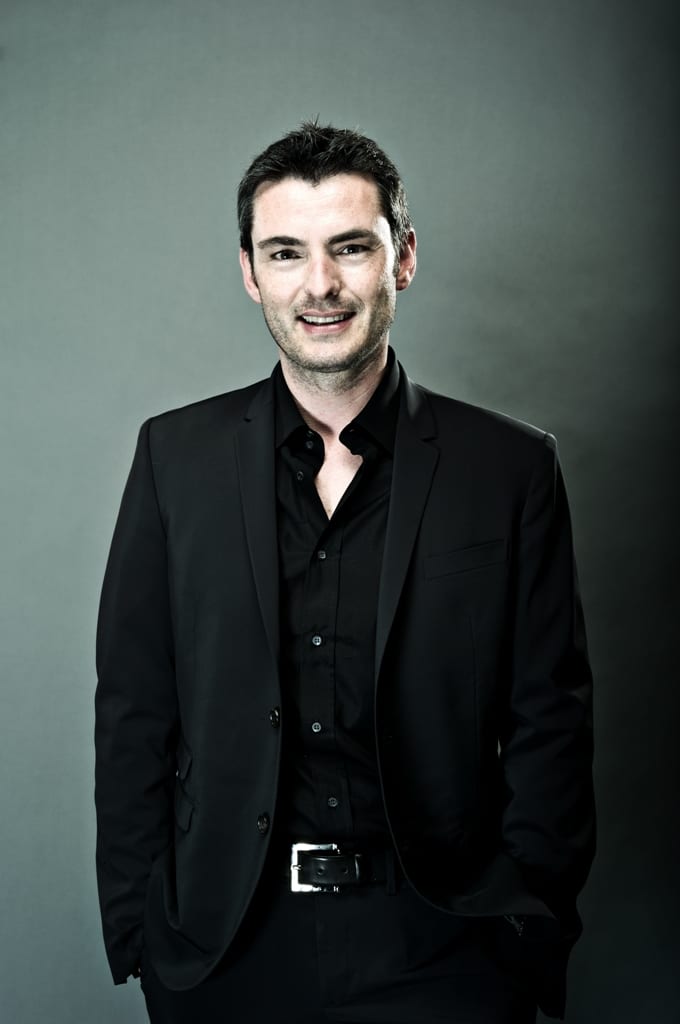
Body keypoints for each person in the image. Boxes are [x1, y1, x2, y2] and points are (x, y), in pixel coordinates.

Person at [95, 122, 595, 1023]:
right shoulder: (174, 459)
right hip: (226, 951)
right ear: (251, 272)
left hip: (446, 951)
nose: (319, 284)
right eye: (286, 252)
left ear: (403, 258)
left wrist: (526, 929)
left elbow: (549, 716)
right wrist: (141, 926)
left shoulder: (511, 468)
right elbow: (135, 707)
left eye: (351, 247)